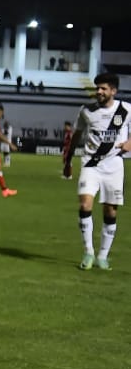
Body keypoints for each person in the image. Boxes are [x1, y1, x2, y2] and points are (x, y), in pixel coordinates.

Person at [62, 73, 131, 270]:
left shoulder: (125, 110)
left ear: (113, 91)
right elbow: (76, 136)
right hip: (91, 164)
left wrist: (129, 144)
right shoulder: (86, 111)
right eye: (97, 88)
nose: (98, 92)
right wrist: (67, 161)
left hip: (114, 166)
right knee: (85, 205)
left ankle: (103, 256)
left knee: (110, 211)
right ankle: (88, 252)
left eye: (103, 88)